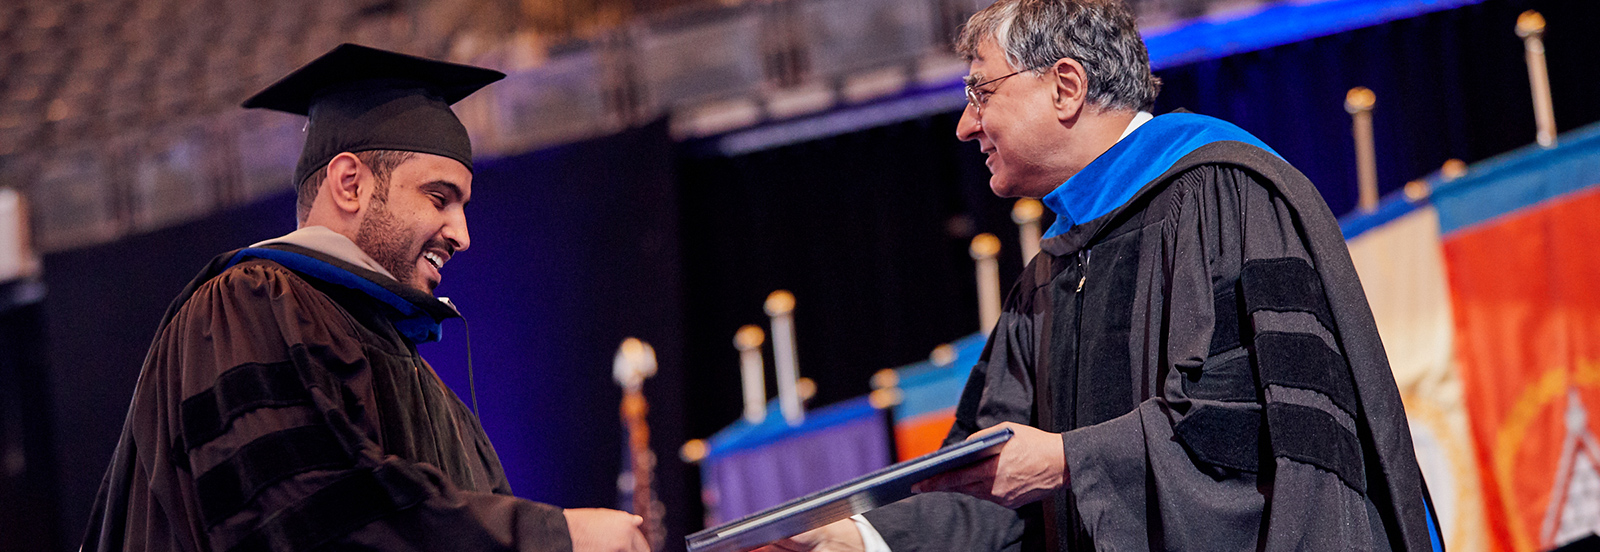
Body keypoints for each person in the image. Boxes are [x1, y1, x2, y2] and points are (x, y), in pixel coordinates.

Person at [769, 0, 1440, 550]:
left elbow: (1267, 435)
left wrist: (1071, 460)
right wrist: (856, 538)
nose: (965, 126)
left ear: (1066, 86)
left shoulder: (1227, 197)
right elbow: (990, 490)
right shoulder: (1049, 277)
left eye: (980, 92)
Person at [81, 44, 649, 552]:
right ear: (350, 184)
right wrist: (557, 536)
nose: (462, 233)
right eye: (438, 197)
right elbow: (302, 518)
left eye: (464, 205)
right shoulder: (244, 306)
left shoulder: (431, 393)